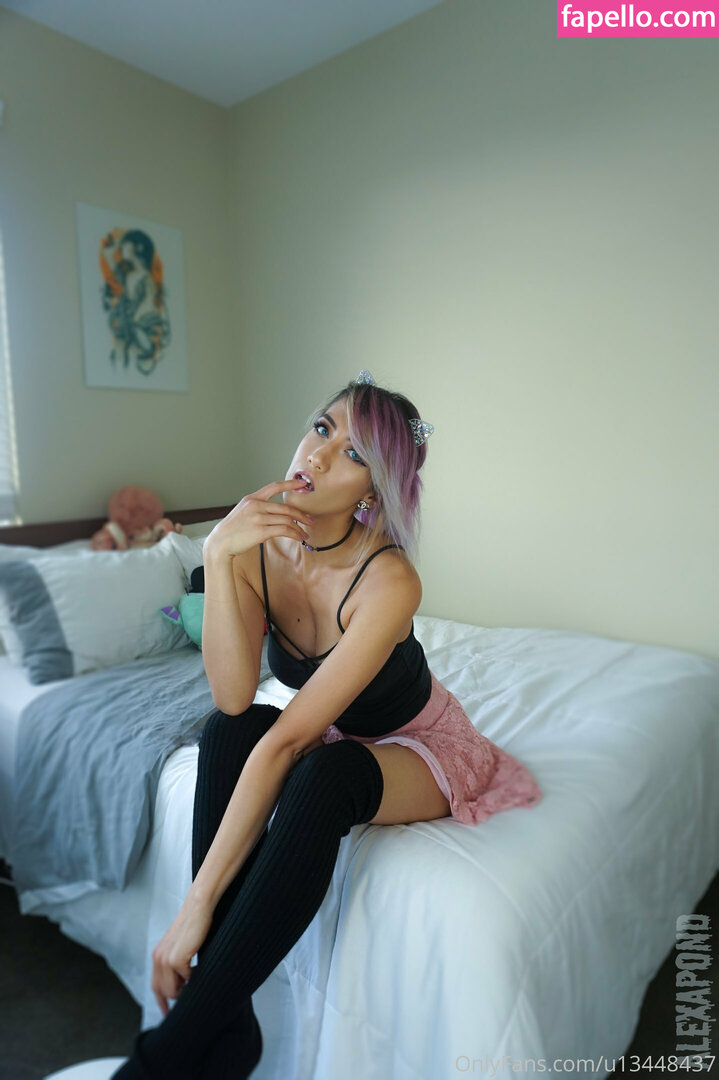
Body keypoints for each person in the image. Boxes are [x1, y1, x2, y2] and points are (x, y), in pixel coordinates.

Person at [110, 371, 542, 1080]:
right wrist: (216, 552)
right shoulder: (251, 546)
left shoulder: (389, 578)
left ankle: (169, 1054)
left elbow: (290, 742)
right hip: (332, 730)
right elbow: (233, 697)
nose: (317, 455)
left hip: (418, 743)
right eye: (321, 428)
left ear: (373, 489)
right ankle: (230, 1027)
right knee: (227, 732)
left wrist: (195, 909)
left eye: (353, 453)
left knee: (321, 774)